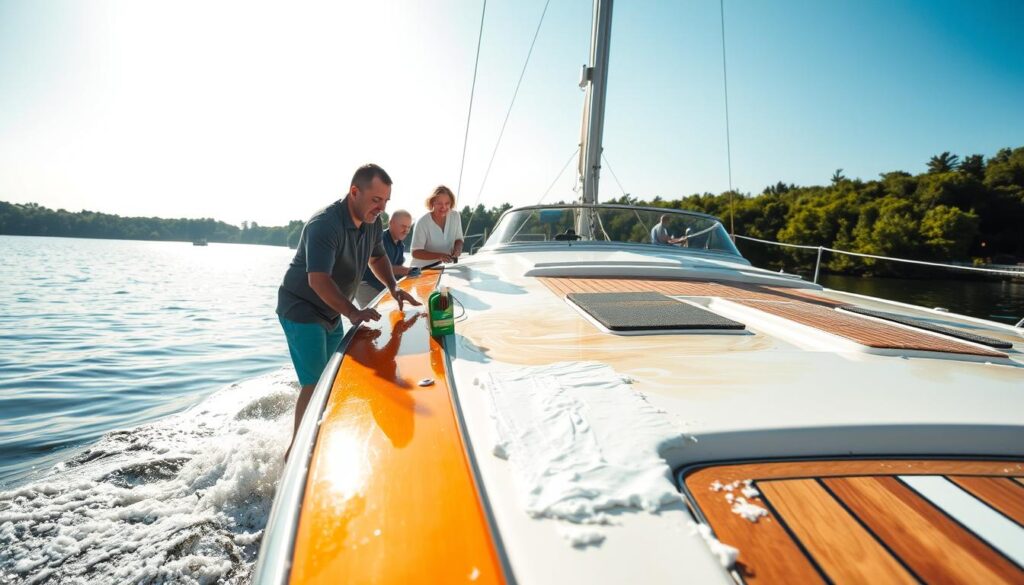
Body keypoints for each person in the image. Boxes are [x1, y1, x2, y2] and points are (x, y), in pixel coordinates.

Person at [276, 163, 420, 459]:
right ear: (355, 192)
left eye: (385, 201)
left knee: (334, 378)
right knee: (316, 382)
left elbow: (377, 259)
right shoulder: (323, 225)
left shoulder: (371, 224)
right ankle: (296, 453)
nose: (381, 208)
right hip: (301, 308)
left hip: (331, 308)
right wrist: (353, 313)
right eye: (376, 199)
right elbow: (318, 279)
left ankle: (323, 433)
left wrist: (393, 288)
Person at [354, 209, 418, 307]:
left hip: (382, 284)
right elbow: (384, 267)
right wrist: (409, 270)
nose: (406, 231)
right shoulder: (381, 239)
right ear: (391, 223)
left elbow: (397, 270)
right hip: (365, 284)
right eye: (403, 226)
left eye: (409, 227)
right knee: (378, 315)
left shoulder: (400, 245)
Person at [410, 185, 464, 268]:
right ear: (432, 203)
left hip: (444, 268)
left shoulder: (455, 216)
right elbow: (415, 252)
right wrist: (439, 256)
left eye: (447, 203)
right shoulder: (422, 221)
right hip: (421, 270)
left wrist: (458, 249)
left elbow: (459, 239)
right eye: (439, 203)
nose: (444, 207)